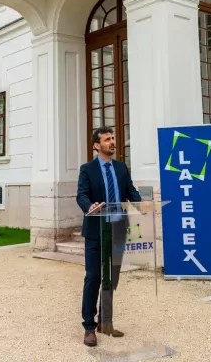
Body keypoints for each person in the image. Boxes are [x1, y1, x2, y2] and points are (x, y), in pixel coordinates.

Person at [76, 126, 142, 347]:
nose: (113, 142)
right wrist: (90, 206)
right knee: (93, 277)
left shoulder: (122, 168)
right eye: (107, 139)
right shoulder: (87, 169)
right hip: (96, 231)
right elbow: (82, 195)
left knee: (111, 279)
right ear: (97, 145)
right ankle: (89, 326)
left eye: (113, 138)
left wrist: (144, 202)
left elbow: (131, 193)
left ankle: (105, 322)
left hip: (117, 230)